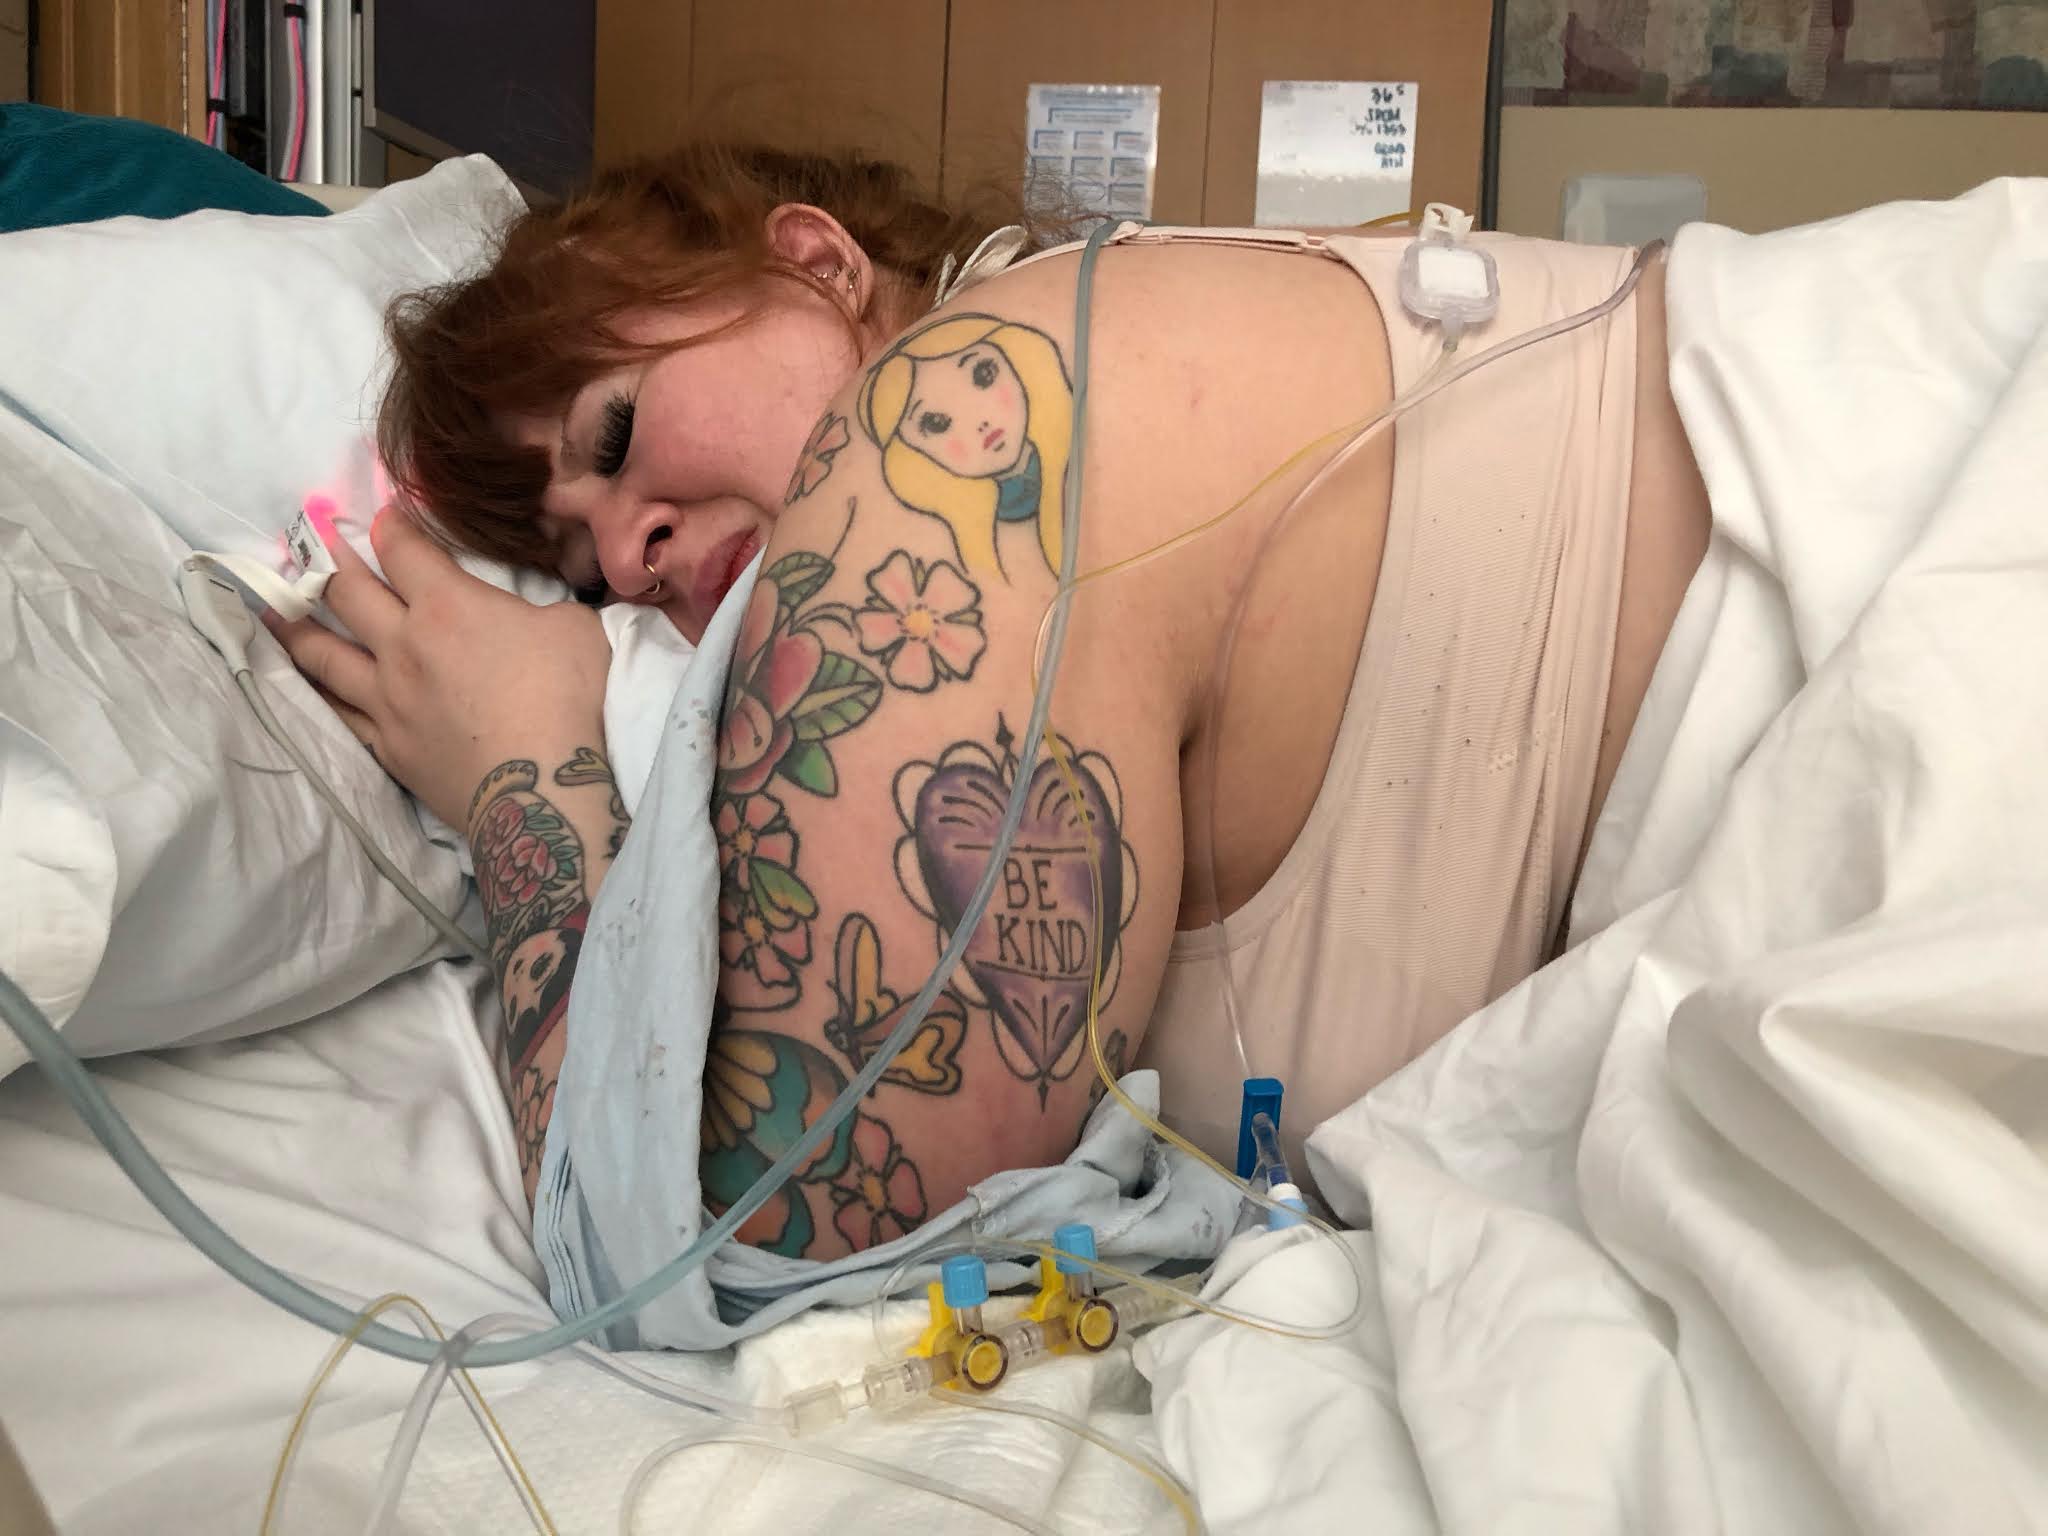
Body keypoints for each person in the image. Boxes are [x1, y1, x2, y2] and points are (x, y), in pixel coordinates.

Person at [273, 143, 1711, 1258]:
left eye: (615, 430)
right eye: (582, 568)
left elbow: (717, 1236)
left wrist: (524, 778)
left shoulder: (944, 421)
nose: (629, 556)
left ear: (816, 264)